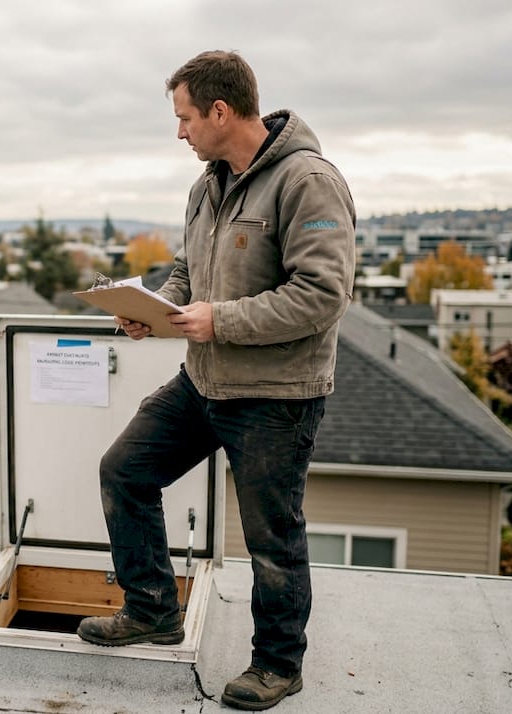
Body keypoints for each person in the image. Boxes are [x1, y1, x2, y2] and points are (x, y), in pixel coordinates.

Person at [75, 50, 355, 711]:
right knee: (125, 471)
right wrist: (158, 310)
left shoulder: (308, 181)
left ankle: (279, 665)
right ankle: (151, 610)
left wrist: (219, 319)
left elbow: (323, 294)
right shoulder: (208, 186)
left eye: (185, 117)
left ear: (221, 111)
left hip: (276, 398)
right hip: (203, 382)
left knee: (271, 537)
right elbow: (187, 270)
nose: (180, 132)